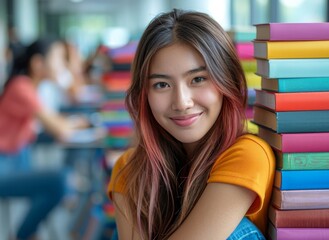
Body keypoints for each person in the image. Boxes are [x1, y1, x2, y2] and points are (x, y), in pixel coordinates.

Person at [107, 9, 275, 240]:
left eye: (198, 79)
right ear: (144, 94)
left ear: (227, 81)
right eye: (162, 85)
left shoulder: (248, 154)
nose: (182, 102)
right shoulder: (130, 168)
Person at [0, 37, 87, 240]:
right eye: (57, 58)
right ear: (38, 63)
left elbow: (56, 124)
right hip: (4, 168)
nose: (61, 65)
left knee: (61, 181)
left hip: (17, 161)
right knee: (62, 180)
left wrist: (70, 123)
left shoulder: (30, 87)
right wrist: (72, 123)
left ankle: (30, 232)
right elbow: (59, 129)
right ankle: (23, 235)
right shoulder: (21, 86)